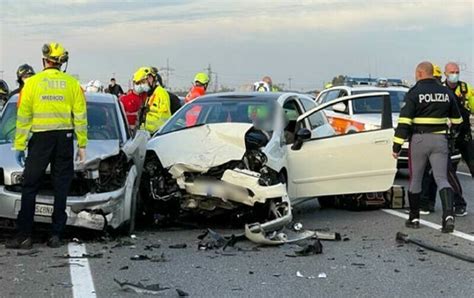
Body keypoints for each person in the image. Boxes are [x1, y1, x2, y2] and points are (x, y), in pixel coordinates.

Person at [6, 42, 87, 249]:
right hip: (65, 139)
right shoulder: (72, 84)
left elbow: (23, 118)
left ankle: (25, 235)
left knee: (30, 185)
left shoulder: (32, 84)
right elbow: (80, 116)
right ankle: (55, 235)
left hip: (40, 139)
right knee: (61, 186)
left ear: (44, 61)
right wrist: (82, 144)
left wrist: (19, 145)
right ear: (62, 63)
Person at [392, 61, 462, 233]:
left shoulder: (414, 92)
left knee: (416, 178)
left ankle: (414, 218)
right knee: (442, 179)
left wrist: (396, 146)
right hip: (440, 140)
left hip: (419, 140)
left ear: (420, 73)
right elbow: (458, 120)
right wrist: (451, 135)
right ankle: (448, 217)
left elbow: (404, 122)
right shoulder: (446, 92)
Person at [443, 62, 474, 177]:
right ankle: (454, 192)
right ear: (445, 73)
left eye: (457, 72)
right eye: (452, 72)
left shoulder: (466, 88)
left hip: (464, 134)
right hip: (447, 135)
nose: (454, 75)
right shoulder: (441, 89)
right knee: (448, 170)